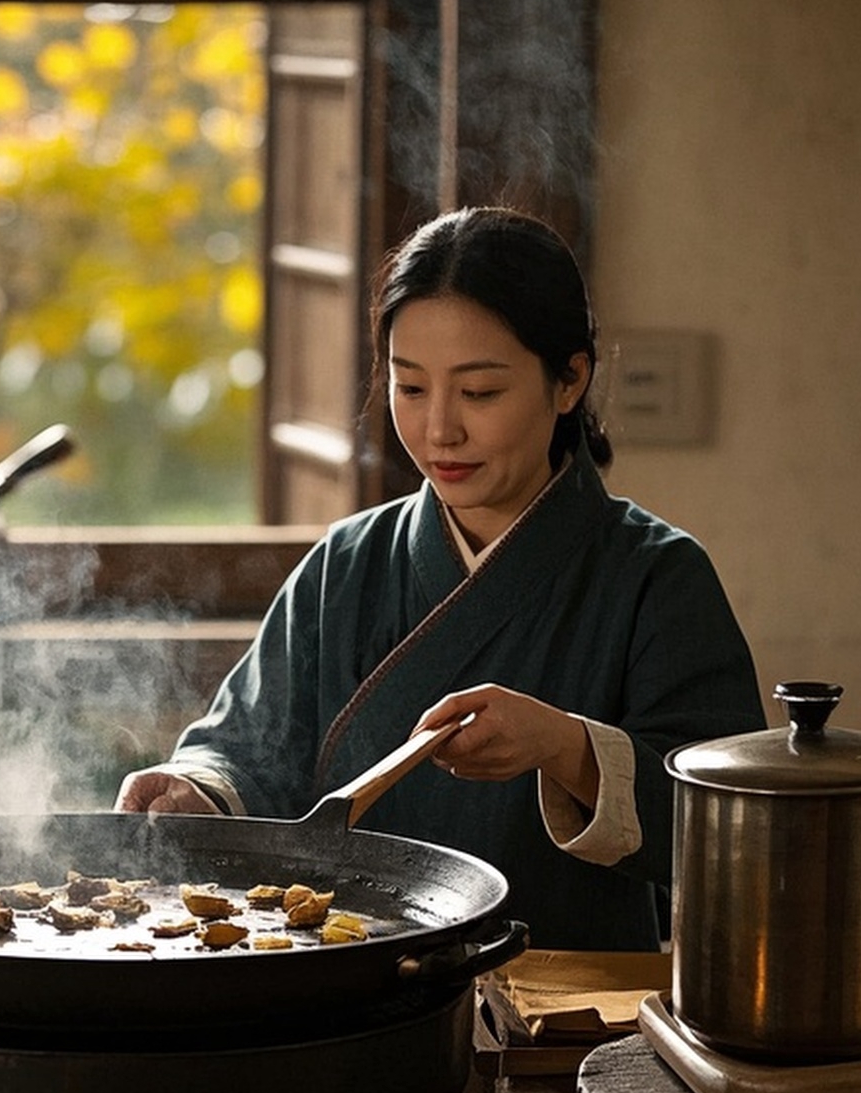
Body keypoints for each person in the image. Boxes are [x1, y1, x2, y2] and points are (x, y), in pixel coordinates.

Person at [115, 206, 765, 950]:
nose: (439, 430)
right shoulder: (348, 562)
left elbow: (733, 835)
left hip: (565, 1021)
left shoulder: (658, 578)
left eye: (480, 392)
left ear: (569, 381)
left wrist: (566, 748)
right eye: (411, 387)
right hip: (344, 993)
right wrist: (195, 791)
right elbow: (249, 750)